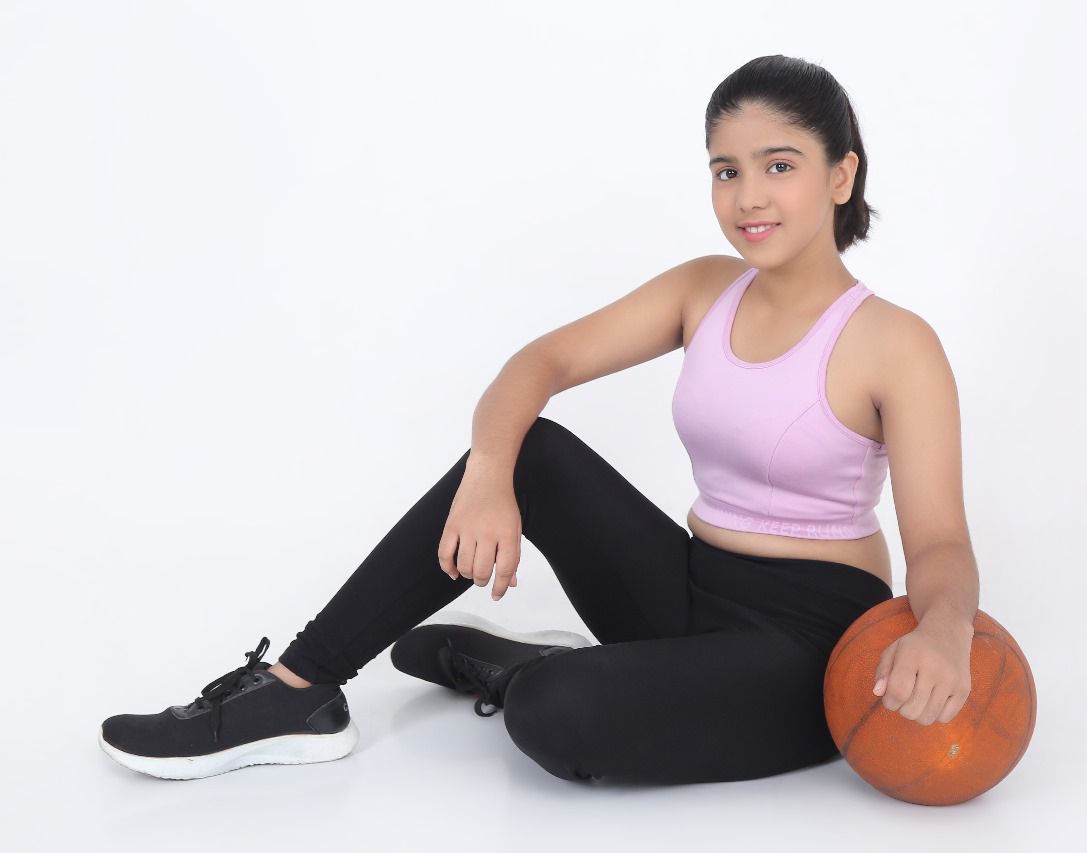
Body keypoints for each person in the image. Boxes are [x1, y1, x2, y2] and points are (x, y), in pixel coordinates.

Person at [98, 54, 980, 785]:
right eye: (727, 169)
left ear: (841, 174)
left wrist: (943, 631)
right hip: (686, 587)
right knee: (533, 451)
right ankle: (297, 689)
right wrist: (490, 474)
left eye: (778, 165)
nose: (749, 196)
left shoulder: (895, 343)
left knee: (552, 715)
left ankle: (529, 668)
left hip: (810, 642)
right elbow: (539, 363)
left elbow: (940, 542)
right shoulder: (703, 290)